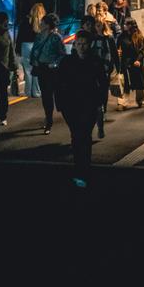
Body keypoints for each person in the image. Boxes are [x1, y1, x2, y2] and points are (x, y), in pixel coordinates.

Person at [56, 30, 103, 188]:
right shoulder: (67, 62)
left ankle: (83, 169)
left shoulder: (95, 61)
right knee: (77, 136)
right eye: (79, 43)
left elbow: (102, 83)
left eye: (84, 44)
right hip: (71, 105)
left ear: (90, 45)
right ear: (75, 45)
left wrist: (100, 102)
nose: (81, 47)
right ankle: (80, 169)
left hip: (89, 104)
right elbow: (59, 83)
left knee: (84, 136)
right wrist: (60, 104)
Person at [30, 12, 66, 135]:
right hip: (41, 68)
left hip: (52, 70)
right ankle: (48, 119)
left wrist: (54, 64)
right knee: (46, 96)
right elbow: (34, 50)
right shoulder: (39, 36)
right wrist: (34, 60)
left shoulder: (56, 37)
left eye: (43, 22)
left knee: (54, 94)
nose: (40, 24)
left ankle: (55, 118)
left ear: (48, 25)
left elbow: (62, 54)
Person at [91, 7, 120, 137]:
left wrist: (118, 68)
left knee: (103, 92)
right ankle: (99, 111)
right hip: (93, 70)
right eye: (96, 25)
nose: (97, 27)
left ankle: (103, 109)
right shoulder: (92, 38)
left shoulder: (109, 38)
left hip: (105, 70)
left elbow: (114, 54)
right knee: (95, 93)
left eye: (100, 25)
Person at [15, 3, 45, 98]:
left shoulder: (25, 21)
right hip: (37, 46)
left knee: (28, 71)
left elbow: (19, 37)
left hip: (25, 46)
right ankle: (36, 92)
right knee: (37, 69)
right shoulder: (42, 22)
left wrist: (18, 49)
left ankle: (28, 92)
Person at [117, 17, 144, 108]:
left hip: (136, 63)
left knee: (138, 84)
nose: (124, 26)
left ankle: (140, 100)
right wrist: (118, 51)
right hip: (125, 63)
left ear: (131, 25)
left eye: (126, 24)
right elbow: (117, 46)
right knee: (124, 83)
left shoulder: (139, 36)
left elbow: (142, 50)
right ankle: (123, 102)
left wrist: (138, 60)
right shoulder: (122, 36)